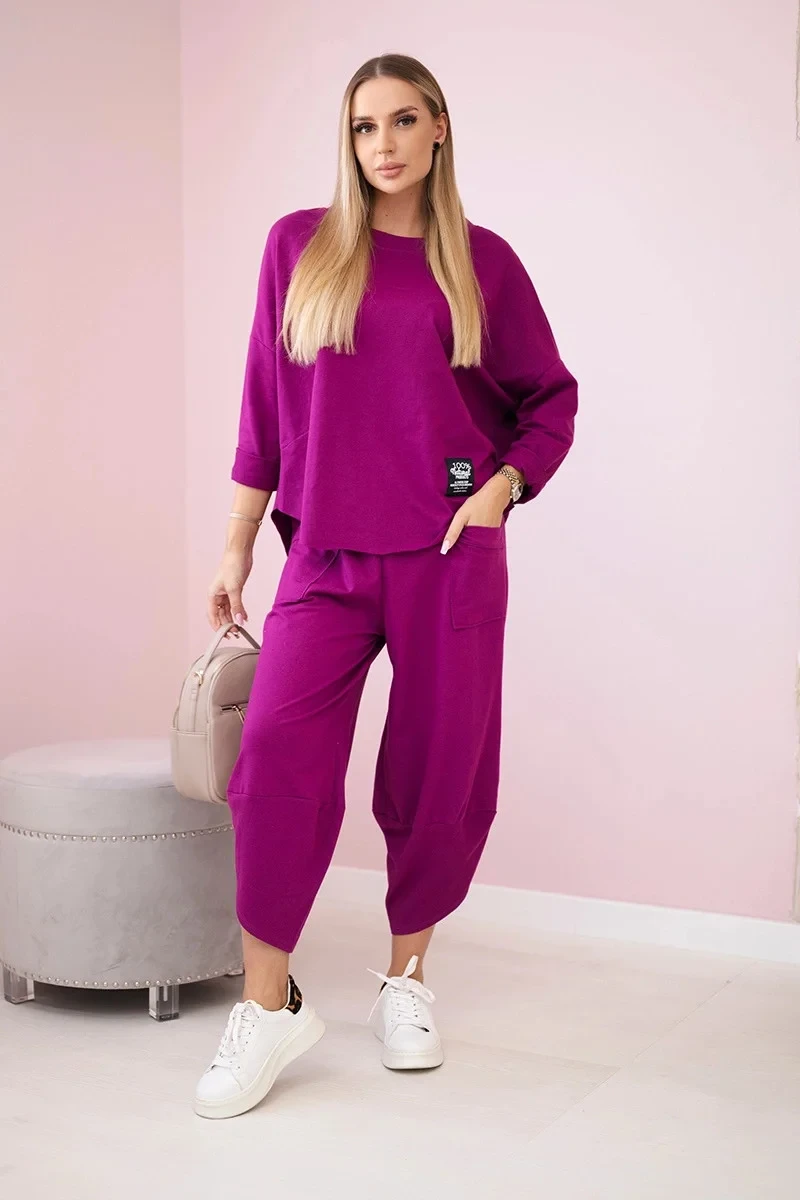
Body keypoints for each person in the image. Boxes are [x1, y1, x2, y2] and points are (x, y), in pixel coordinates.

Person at [193, 52, 578, 1120]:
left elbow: (549, 400)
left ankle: (406, 982)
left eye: (403, 121)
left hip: (450, 554)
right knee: (276, 758)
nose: (384, 145)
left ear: (438, 127)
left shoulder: (484, 264)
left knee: (439, 768)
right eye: (364, 127)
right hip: (325, 554)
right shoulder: (299, 246)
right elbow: (264, 405)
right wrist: (235, 547)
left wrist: (501, 488)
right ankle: (267, 1006)